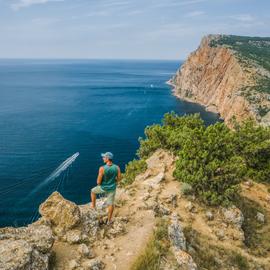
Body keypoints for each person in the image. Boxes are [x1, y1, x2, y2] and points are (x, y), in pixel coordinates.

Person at [90, 152, 121, 224]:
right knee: (110, 204)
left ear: (107, 159)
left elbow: (98, 182)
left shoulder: (102, 168)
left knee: (92, 191)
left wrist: (102, 183)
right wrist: (113, 182)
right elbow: (119, 178)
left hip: (103, 188)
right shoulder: (117, 167)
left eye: (104, 157)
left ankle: (93, 206)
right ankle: (109, 220)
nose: (103, 158)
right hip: (112, 189)